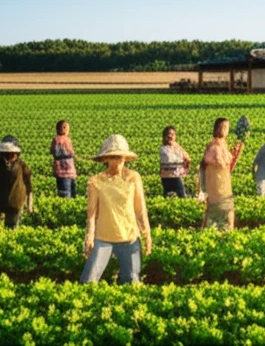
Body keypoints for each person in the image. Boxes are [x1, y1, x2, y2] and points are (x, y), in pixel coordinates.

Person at [80, 134, 152, 284]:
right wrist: (89, 236)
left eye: (120, 157)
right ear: (106, 159)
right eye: (113, 157)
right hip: (104, 237)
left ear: (125, 158)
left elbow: (140, 209)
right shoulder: (96, 181)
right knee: (89, 280)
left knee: (131, 280)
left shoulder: (133, 177)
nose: (117, 161)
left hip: (129, 236)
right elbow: (92, 214)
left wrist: (147, 234)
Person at [0, 135, 33, 229]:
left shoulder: (22, 166)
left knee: (12, 226)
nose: (8, 157)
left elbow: (28, 186)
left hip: (15, 202)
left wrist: (29, 204)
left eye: (11, 154)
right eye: (6, 154)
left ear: (16, 154)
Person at [200, 118, 235, 231]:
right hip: (216, 187)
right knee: (216, 214)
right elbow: (205, 166)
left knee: (227, 213)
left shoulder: (223, 146)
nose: (225, 130)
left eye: (227, 127)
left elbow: (227, 168)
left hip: (225, 187)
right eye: (223, 127)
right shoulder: (214, 147)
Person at [159, 126, 192, 198]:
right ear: (164, 136)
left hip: (176, 175)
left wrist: (176, 145)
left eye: (172, 134)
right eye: (168, 134)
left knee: (179, 195)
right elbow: (170, 160)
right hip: (168, 177)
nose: (170, 136)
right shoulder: (163, 149)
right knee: (179, 195)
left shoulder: (176, 147)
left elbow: (187, 158)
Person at [50, 120, 78, 198]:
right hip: (63, 173)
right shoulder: (58, 140)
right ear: (63, 128)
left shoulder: (65, 139)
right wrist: (70, 154)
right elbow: (58, 153)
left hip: (69, 173)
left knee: (71, 194)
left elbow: (52, 152)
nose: (68, 130)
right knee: (66, 195)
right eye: (67, 128)